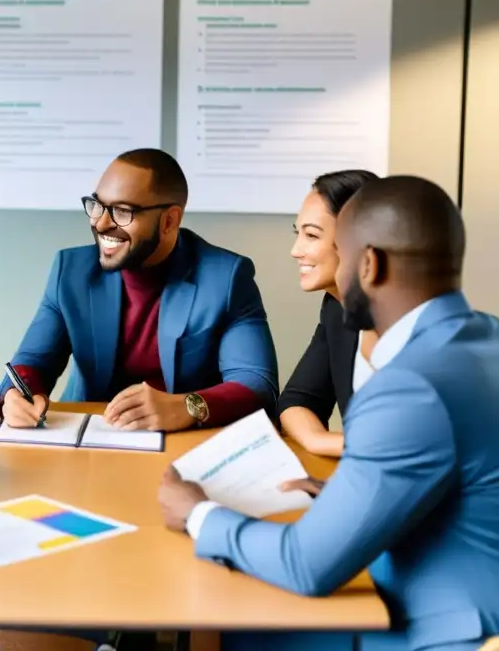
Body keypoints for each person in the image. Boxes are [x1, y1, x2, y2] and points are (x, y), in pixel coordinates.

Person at [159, 175, 499, 650]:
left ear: (369, 264)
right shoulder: (486, 339)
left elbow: (305, 566)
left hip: (440, 631)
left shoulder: (409, 386)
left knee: (234, 619)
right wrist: (352, 489)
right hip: (458, 591)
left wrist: (197, 514)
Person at [0, 148, 278, 433]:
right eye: (97, 205)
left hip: (180, 440)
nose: (101, 223)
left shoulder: (226, 278)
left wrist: (187, 406)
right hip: (85, 435)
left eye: (121, 211)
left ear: (169, 221)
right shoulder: (70, 271)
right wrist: (15, 395)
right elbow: (33, 362)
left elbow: (256, 382)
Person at [278, 169, 378, 457]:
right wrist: (318, 441)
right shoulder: (336, 306)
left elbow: (402, 445)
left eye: (311, 235)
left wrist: (333, 443)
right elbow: (298, 400)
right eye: (299, 233)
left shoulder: (400, 322)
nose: (296, 250)